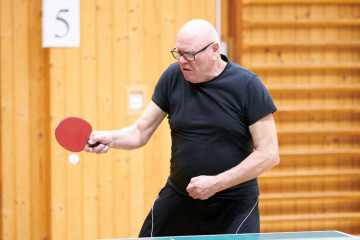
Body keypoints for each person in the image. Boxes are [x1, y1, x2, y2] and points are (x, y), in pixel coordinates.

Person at [85, 19, 279, 237]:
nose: (183, 61)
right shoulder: (173, 77)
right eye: (179, 53)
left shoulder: (247, 86)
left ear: (215, 50)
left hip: (233, 206)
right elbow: (140, 132)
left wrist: (216, 183)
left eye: (190, 54)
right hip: (180, 197)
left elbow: (269, 154)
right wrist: (108, 138)